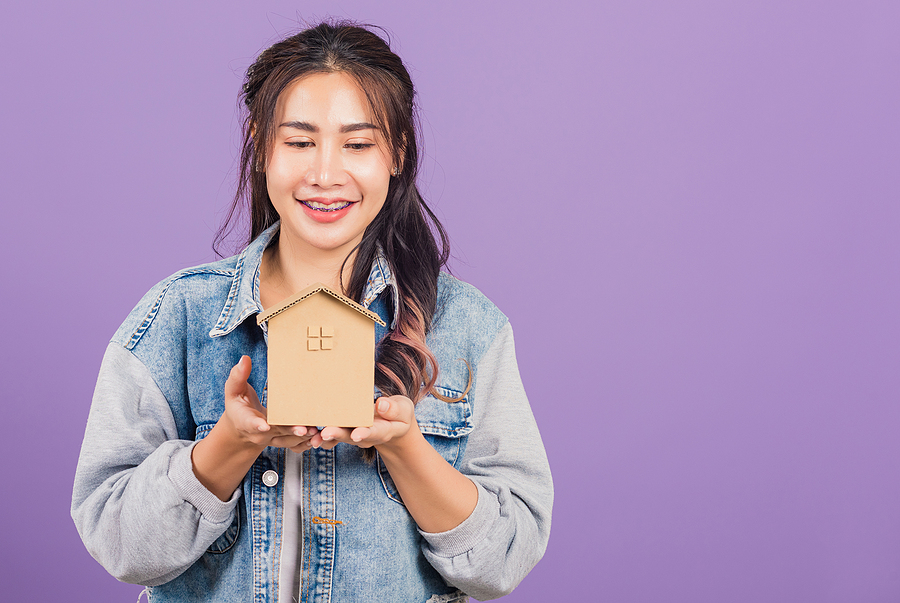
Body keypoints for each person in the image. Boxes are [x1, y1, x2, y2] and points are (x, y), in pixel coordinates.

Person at [72, 21, 552, 603]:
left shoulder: (468, 329)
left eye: (358, 144)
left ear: (396, 151)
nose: (325, 174)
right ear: (260, 146)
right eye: (300, 142)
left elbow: (505, 559)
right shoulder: (177, 319)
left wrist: (405, 446)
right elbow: (119, 544)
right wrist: (228, 444)